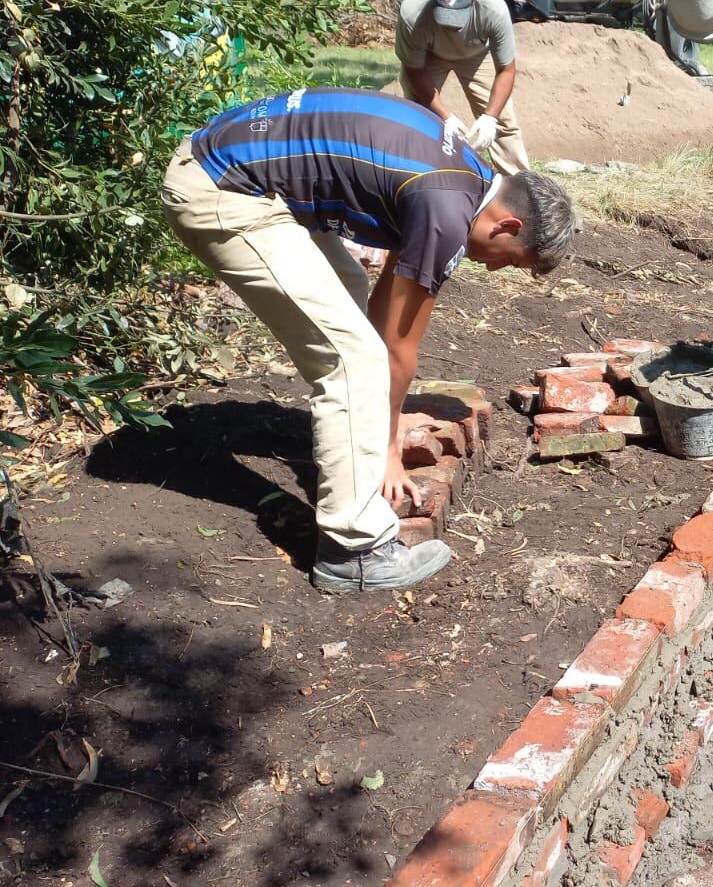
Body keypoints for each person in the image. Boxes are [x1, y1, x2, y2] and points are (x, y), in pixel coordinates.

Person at [160, 87, 576, 593]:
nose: (493, 267)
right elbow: (398, 346)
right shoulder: (447, 210)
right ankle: (353, 551)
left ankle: (349, 439)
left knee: (352, 302)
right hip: (226, 190)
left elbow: (386, 313)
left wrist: (386, 418)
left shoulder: (465, 174)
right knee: (353, 361)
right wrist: (388, 449)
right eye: (510, 259)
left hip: (233, 164)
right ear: (507, 224)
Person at [396, 0, 529, 174]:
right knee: (417, 115)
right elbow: (414, 70)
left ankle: (521, 190)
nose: (452, 27)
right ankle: (414, 174)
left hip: (476, 54)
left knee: (503, 121)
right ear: (433, 2)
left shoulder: (494, 9)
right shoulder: (413, 13)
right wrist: (445, 116)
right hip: (429, 56)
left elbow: (506, 69)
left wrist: (490, 118)